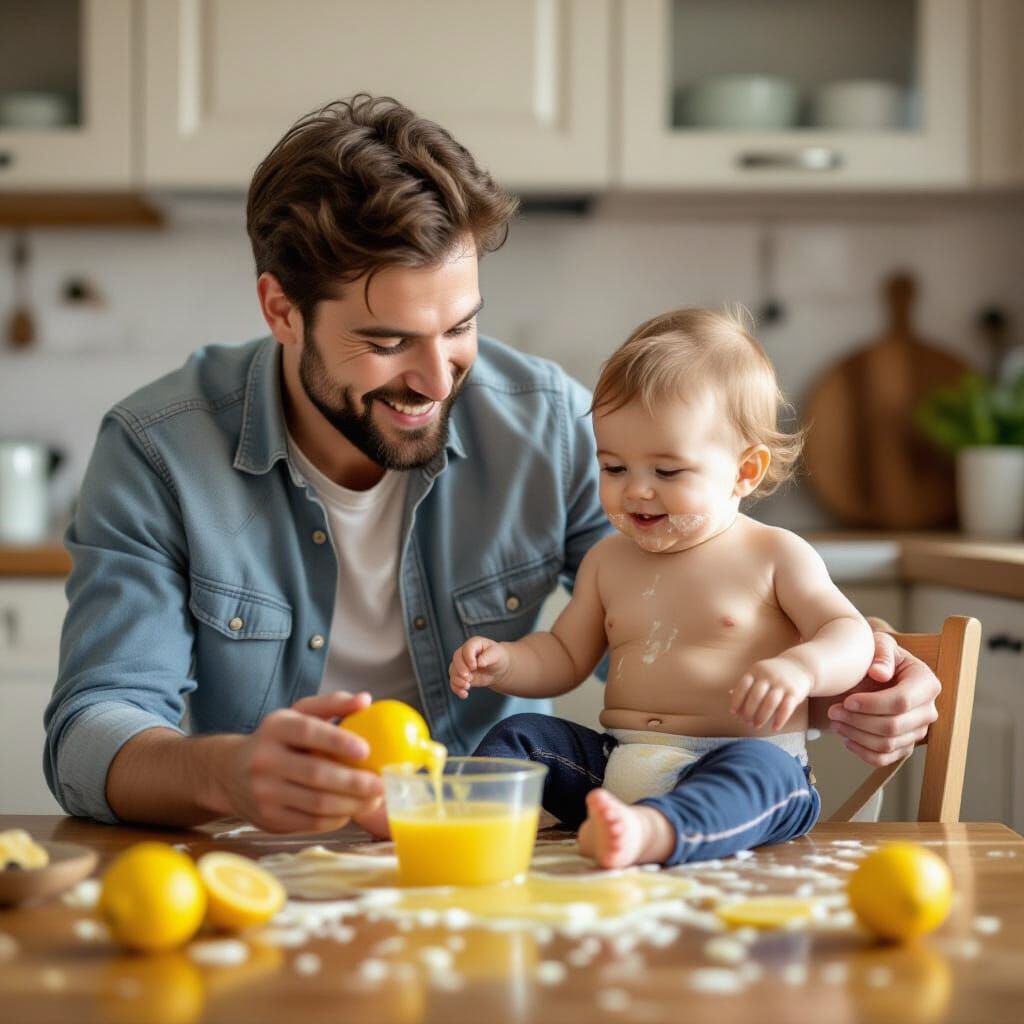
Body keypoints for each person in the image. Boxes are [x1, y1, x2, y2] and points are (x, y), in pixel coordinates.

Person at [44, 94, 940, 837]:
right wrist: (230, 774)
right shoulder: (158, 449)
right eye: (388, 341)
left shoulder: (548, 422)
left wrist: (864, 681)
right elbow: (91, 733)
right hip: (271, 867)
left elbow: (683, 606)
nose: (438, 380)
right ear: (281, 310)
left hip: (501, 866)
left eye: (461, 327)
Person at [451, 308, 877, 867]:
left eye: (668, 472)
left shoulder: (774, 555)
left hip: (740, 760)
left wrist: (802, 669)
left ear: (745, 472)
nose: (636, 492)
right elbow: (562, 654)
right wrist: (506, 662)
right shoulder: (607, 560)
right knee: (523, 733)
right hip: (618, 764)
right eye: (614, 468)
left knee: (765, 776)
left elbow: (849, 633)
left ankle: (658, 832)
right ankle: (460, 823)